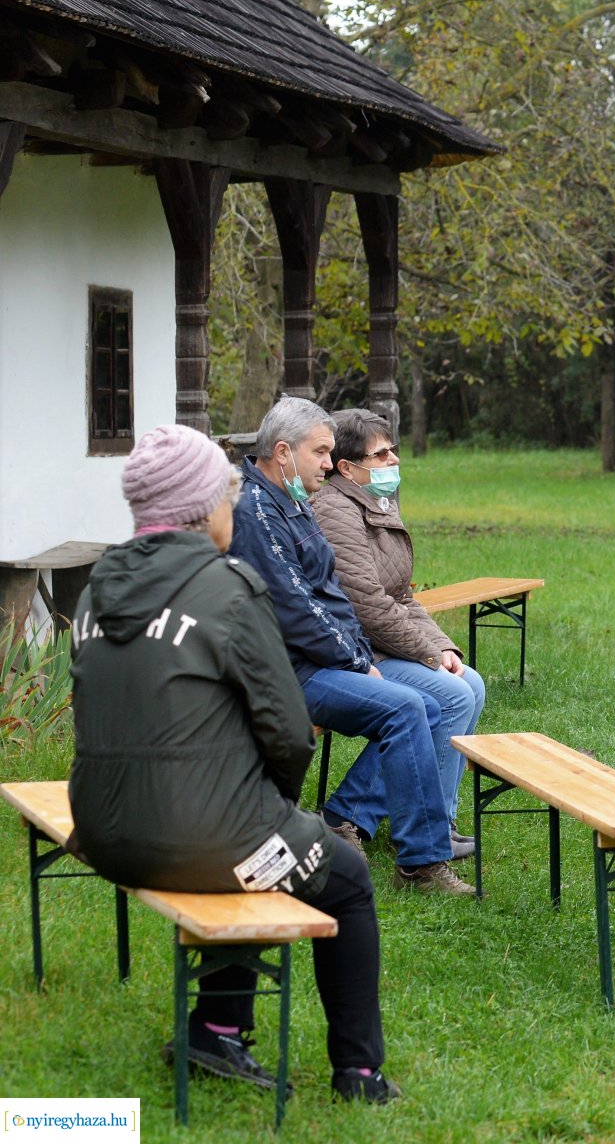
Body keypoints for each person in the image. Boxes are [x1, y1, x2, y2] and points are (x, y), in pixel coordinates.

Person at [68, 424, 397, 1103]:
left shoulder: (99, 585)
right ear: (199, 510)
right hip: (199, 839)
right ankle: (359, 1075)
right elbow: (287, 731)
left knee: (240, 834)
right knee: (344, 875)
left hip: (100, 834)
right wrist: (273, 803)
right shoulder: (228, 588)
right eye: (227, 498)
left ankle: (217, 1027)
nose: (234, 510)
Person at [226, 396, 473, 896]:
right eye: (320, 452)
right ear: (282, 451)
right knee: (408, 708)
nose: (326, 463)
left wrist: (361, 654)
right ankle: (422, 865)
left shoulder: (289, 500)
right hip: (286, 671)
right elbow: (297, 609)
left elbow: (334, 595)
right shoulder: (257, 513)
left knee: (427, 702)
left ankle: (366, 823)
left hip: (318, 659)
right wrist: (359, 661)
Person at [312, 408, 485, 851]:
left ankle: (437, 819)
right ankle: (348, 814)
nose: (393, 461)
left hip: (382, 642)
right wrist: (427, 655)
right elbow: (366, 603)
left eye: (394, 451)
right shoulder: (334, 510)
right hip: (351, 653)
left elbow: (403, 596)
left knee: (472, 683)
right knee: (450, 696)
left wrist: (442, 647)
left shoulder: (377, 502)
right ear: (347, 468)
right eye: (381, 454)